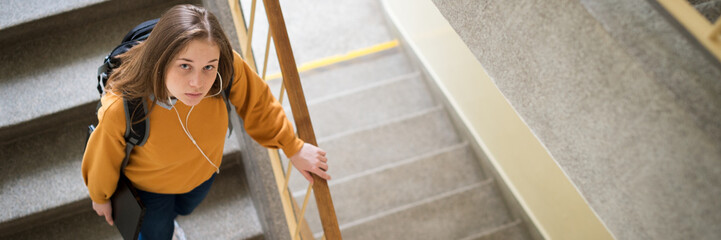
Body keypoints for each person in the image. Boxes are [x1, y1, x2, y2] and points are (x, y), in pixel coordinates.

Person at [81, 4, 330, 240]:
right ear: (160, 59)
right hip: (149, 190)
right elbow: (103, 155)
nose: (198, 83)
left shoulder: (225, 66)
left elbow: (258, 102)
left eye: (208, 67)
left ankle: (173, 221)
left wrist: (293, 146)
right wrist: (100, 196)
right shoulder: (123, 106)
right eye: (185, 66)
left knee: (185, 209)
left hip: (203, 173)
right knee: (157, 232)